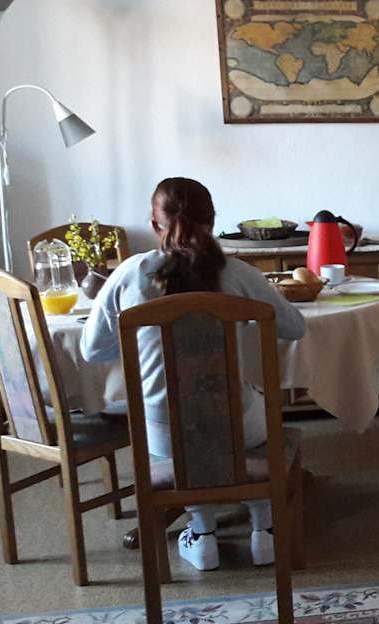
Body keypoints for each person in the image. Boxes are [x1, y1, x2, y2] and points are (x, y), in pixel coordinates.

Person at [81, 177, 306, 571]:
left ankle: (202, 534)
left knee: (183, 433)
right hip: (239, 426)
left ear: (154, 225)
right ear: (213, 221)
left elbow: (92, 349)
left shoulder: (129, 274)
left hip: (164, 432)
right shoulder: (238, 273)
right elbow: (294, 328)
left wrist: (141, 338)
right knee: (252, 411)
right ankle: (264, 529)